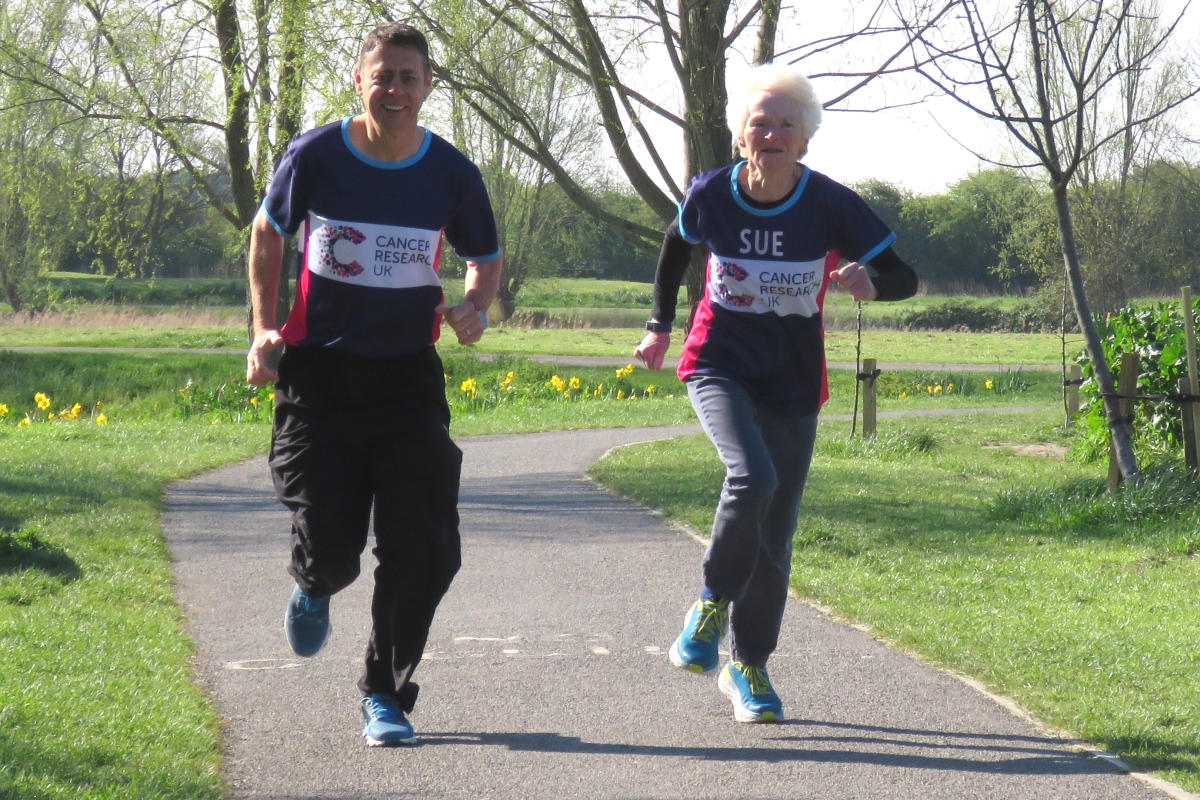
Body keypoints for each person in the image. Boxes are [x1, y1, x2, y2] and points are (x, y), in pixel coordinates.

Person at [634, 63, 917, 723]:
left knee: (777, 536)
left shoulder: (829, 204)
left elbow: (903, 275)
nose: (772, 133)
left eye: (786, 125)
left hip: (792, 382)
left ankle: (749, 666)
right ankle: (709, 606)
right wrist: (658, 328)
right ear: (741, 138)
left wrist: (874, 285)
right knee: (750, 476)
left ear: (804, 142)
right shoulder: (713, 195)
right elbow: (677, 246)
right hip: (719, 365)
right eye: (760, 123)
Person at [245, 22, 502, 747]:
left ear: (427, 88)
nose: (394, 90)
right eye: (382, 76)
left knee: (425, 546)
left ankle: (385, 693)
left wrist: (475, 307)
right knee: (332, 551)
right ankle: (314, 582)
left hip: (406, 381)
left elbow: (484, 257)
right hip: (320, 377)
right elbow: (268, 234)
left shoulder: (451, 173)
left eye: (408, 78)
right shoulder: (317, 156)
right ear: (359, 81)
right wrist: (265, 328)